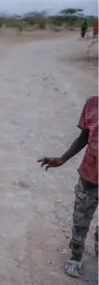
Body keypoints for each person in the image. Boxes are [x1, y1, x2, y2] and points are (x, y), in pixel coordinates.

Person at [38, 96, 98, 278]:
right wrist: (62, 159)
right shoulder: (92, 104)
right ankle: (76, 255)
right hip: (90, 175)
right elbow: (84, 138)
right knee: (81, 218)